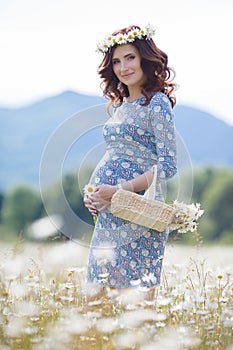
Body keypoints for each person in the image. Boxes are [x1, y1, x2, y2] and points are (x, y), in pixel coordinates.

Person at [84, 24, 177, 301]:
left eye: (130, 57)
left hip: (136, 212)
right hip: (108, 212)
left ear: (145, 59)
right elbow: (113, 154)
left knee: (133, 304)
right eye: (116, 61)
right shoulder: (120, 106)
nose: (123, 67)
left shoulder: (157, 103)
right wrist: (92, 192)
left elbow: (167, 165)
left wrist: (121, 189)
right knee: (96, 299)